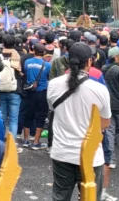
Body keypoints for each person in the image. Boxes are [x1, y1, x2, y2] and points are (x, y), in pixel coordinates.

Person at [47, 43, 111, 201]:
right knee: (90, 196)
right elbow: (105, 123)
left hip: (62, 152)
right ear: (90, 61)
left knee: (60, 196)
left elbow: (53, 110)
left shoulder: (53, 85)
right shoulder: (99, 89)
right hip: (91, 155)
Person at [21, 43, 51, 149]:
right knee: (40, 116)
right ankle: (36, 142)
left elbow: (25, 72)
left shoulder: (27, 62)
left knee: (28, 115)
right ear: (44, 53)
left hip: (29, 92)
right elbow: (48, 77)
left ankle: (25, 140)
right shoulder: (47, 65)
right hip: (42, 92)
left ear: (33, 50)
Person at [0, 34, 22, 138]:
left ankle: (0, 141)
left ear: (3, 43)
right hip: (15, 90)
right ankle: (12, 144)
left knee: (1, 117)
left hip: (1, 89)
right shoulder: (19, 56)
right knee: (13, 119)